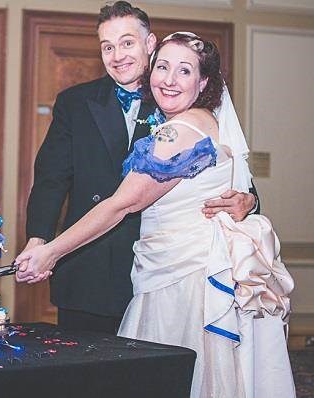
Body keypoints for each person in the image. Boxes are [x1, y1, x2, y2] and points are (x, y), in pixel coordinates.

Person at [17, 32, 295, 397]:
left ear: (204, 83)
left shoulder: (180, 131)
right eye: (162, 67)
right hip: (170, 267)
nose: (169, 79)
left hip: (182, 280)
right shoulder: (201, 122)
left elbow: (123, 204)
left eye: (184, 71)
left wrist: (51, 251)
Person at [21, 1, 258, 334]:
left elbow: (232, 171)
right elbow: (50, 179)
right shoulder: (74, 102)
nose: (118, 55)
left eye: (127, 42)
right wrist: (38, 238)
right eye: (108, 46)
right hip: (89, 265)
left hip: (164, 265)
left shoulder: (180, 98)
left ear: (150, 44)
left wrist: (247, 202)